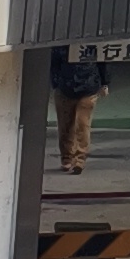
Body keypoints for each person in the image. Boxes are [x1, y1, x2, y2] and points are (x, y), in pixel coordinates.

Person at [48, 46, 110, 175]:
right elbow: (54, 63)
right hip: (65, 88)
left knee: (82, 124)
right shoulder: (62, 43)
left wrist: (105, 83)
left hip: (88, 88)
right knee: (65, 125)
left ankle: (79, 160)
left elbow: (102, 61)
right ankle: (67, 157)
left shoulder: (94, 43)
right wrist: (56, 84)